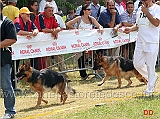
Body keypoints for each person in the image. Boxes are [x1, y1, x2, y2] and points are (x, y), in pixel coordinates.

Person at [123, 0, 160, 95]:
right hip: (140, 41)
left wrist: (147, 12)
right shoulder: (139, 9)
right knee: (137, 64)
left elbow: (156, 23)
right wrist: (130, 29)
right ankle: (152, 77)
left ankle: (150, 89)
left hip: (151, 41)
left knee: (150, 65)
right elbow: (138, 25)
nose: (144, 1)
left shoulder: (157, 8)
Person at [66, 4, 104, 80]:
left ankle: (96, 70)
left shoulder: (91, 19)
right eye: (88, 9)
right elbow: (68, 24)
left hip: (89, 41)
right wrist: (75, 30)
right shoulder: (79, 18)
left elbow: (98, 25)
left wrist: (100, 28)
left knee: (94, 55)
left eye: (90, 9)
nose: (90, 11)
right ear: (84, 11)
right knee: (81, 57)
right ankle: (83, 74)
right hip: (80, 41)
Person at [0, 1, 16, 118]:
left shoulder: (7, 22)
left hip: (3, 58)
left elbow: (12, 39)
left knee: (6, 85)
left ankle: (10, 111)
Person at [34, 3, 61, 70]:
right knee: (44, 59)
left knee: (59, 55)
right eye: (49, 10)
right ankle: (45, 73)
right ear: (45, 10)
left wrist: (56, 31)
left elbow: (58, 27)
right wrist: (53, 31)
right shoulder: (40, 16)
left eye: (52, 10)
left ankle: (64, 75)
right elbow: (43, 29)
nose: (51, 12)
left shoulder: (53, 16)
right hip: (40, 41)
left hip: (50, 40)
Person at [27, 0, 39, 70]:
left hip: (33, 36)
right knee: (34, 57)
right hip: (31, 38)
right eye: (35, 5)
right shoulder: (31, 15)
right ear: (31, 6)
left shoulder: (34, 14)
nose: (37, 7)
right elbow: (32, 26)